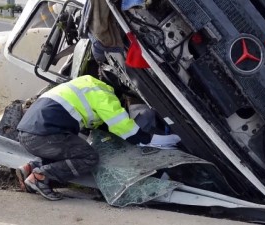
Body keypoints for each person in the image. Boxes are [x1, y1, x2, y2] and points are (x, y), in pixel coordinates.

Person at [16, 75, 181, 201]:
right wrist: (146, 140)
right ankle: (41, 176)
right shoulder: (103, 95)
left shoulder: (85, 84)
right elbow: (120, 124)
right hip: (46, 135)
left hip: (27, 134)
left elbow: (98, 124)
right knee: (88, 156)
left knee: (71, 151)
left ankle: (30, 168)